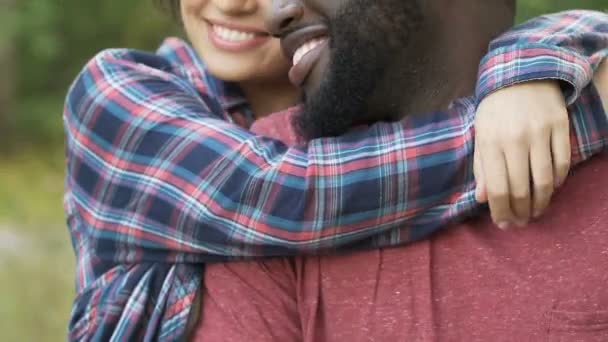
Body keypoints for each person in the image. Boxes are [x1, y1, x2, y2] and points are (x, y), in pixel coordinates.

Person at [63, 0, 608, 340]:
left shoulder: (349, 100)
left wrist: (531, 65)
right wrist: (574, 115)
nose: (233, 3)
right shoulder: (118, 93)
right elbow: (282, 192)